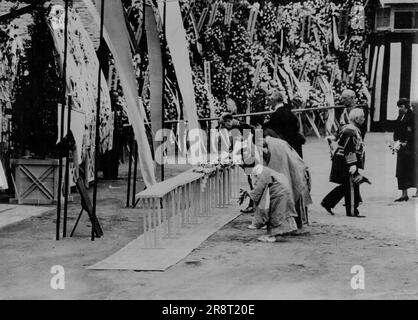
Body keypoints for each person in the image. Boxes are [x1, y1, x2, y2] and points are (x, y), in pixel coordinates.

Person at [321, 108, 366, 217]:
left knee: (347, 184)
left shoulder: (345, 127)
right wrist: (353, 164)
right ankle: (351, 210)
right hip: (346, 160)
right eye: (362, 117)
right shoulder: (352, 130)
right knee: (350, 184)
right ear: (356, 119)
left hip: (341, 158)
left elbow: (337, 136)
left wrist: (331, 138)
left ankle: (328, 202)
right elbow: (349, 148)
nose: (363, 119)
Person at [262, 135, 312, 229]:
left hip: (288, 174)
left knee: (289, 198)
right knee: (294, 196)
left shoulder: (273, 145)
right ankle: (299, 224)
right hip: (295, 171)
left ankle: (293, 225)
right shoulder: (279, 142)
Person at [245, 164, 299, 242]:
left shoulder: (261, 173)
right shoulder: (266, 170)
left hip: (278, 192)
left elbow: (259, 189)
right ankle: (291, 228)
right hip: (284, 189)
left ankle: (271, 235)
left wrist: (250, 194)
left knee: (274, 214)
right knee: (284, 212)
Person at [219, 112, 257, 213]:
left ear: (228, 121)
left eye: (224, 125)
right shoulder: (239, 126)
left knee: (252, 181)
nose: (225, 128)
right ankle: (253, 204)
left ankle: (254, 205)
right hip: (248, 157)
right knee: (250, 181)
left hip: (250, 158)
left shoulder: (240, 127)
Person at [263, 88, 306, 157]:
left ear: (273, 101)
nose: (268, 103)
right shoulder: (289, 111)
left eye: (269, 100)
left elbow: (274, 133)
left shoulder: (276, 115)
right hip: (296, 146)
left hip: (285, 148)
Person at [393, 98, 417, 201]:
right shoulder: (400, 117)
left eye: (400, 107)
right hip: (401, 147)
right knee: (401, 171)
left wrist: (407, 142)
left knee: (412, 169)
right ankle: (404, 194)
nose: (399, 109)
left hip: (411, 148)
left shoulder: (413, 117)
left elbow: (413, 132)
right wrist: (396, 141)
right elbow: (396, 130)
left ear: (404, 107)